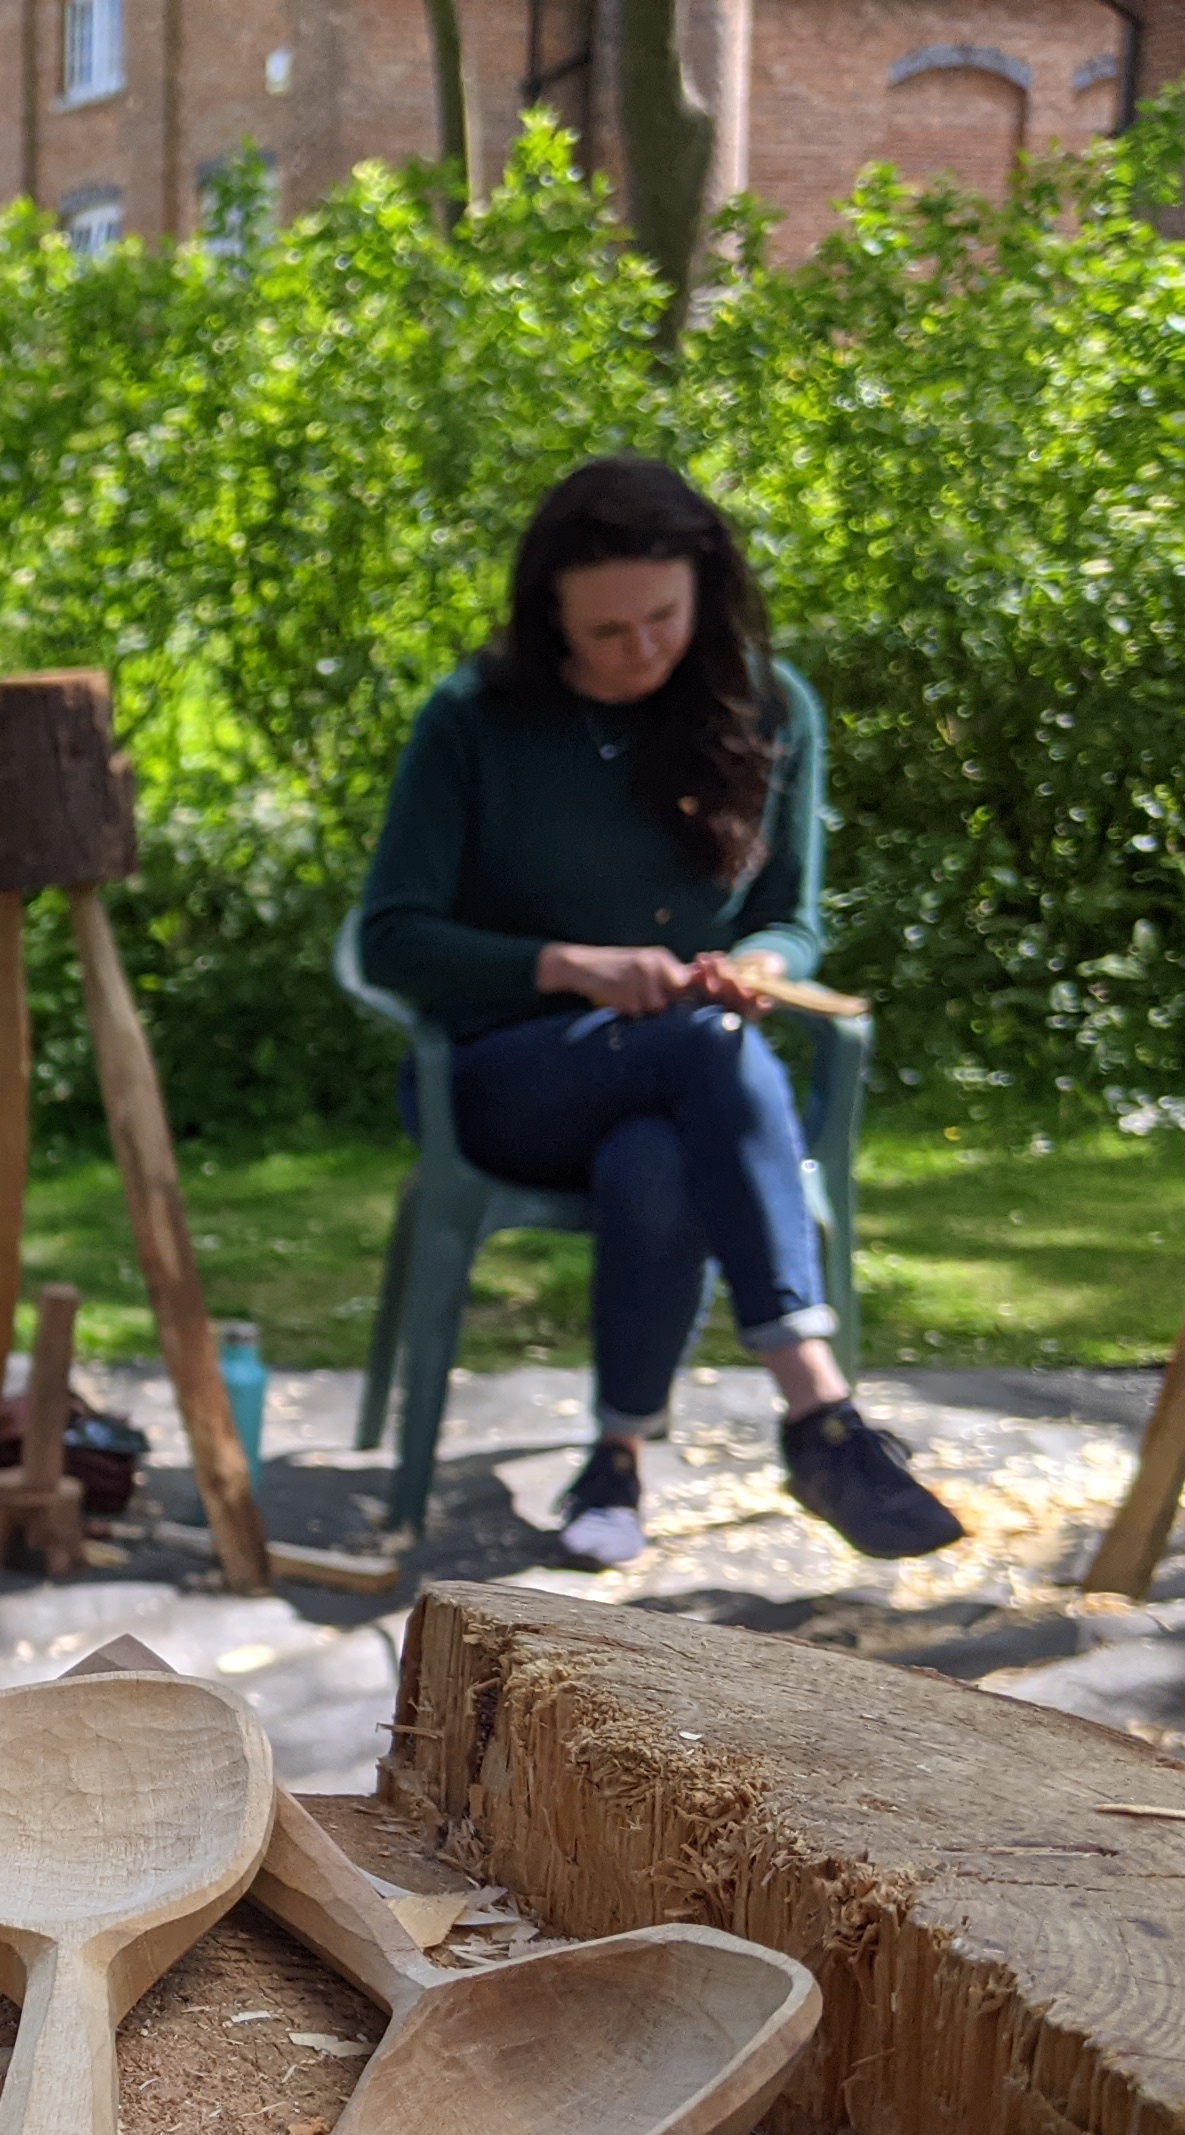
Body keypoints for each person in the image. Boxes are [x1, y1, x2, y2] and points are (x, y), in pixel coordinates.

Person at [357, 456, 963, 1566]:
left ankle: (616, 1463)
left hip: (686, 1075)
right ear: (549, 620)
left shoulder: (771, 711)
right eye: (606, 632)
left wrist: (755, 965)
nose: (639, 650)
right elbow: (391, 940)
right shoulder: (473, 720)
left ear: (708, 594)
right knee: (705, 1057)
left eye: (664, 620)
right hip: (505, 1077)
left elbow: (793, 922)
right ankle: (818, 1412)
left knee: (658, 1156)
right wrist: (571, 967)